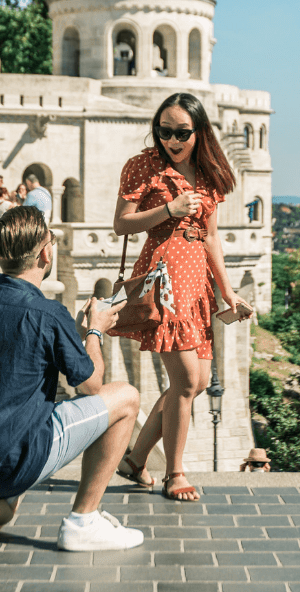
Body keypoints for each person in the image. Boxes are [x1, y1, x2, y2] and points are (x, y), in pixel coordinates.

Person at [0, 206, 143, 560]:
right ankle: (84, 522)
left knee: (8, 503)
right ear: (46, 253)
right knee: (126, 398)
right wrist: (95, 330)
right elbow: (92, 385)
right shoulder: (46, 312)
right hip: (9, 458)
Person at [111, 92, 252, 501]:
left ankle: (135, 461)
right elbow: (121, 224)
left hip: (196, 286)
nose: (172, 140)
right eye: (164, 131)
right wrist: (169, 210)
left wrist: (229, 296)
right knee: (187, 381)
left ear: (199, 132)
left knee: (196, 381)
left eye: (181, 133)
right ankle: (175, 473)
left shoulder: (208, 174)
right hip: (163, 280)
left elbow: (210, 238)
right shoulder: (143, 166)